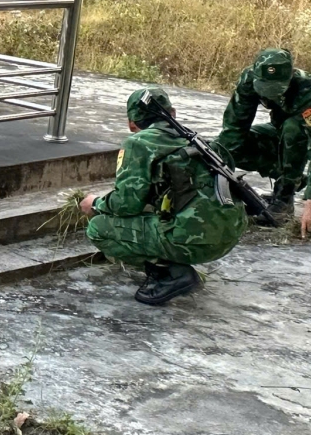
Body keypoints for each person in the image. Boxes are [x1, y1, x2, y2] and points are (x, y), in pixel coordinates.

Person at [80, 87, 248, 305]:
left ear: (132, 124)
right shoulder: (199, 141)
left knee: (99, 228)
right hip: (231, 234)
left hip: (194, 241)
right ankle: (173, 263)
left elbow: (126, 204)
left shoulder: (138, 143)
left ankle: (173, 274)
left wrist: (96, 203)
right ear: (173, 113)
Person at [215, 48, 311, 236]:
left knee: (293, 129)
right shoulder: (249, 79)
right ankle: (292, 178)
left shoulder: (309, 92)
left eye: (276, 89)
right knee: (223, 148)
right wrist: (218, 167)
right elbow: (234, 128)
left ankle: (285, 197)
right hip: (283, 131)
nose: (270, 95)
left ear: (289, 77)